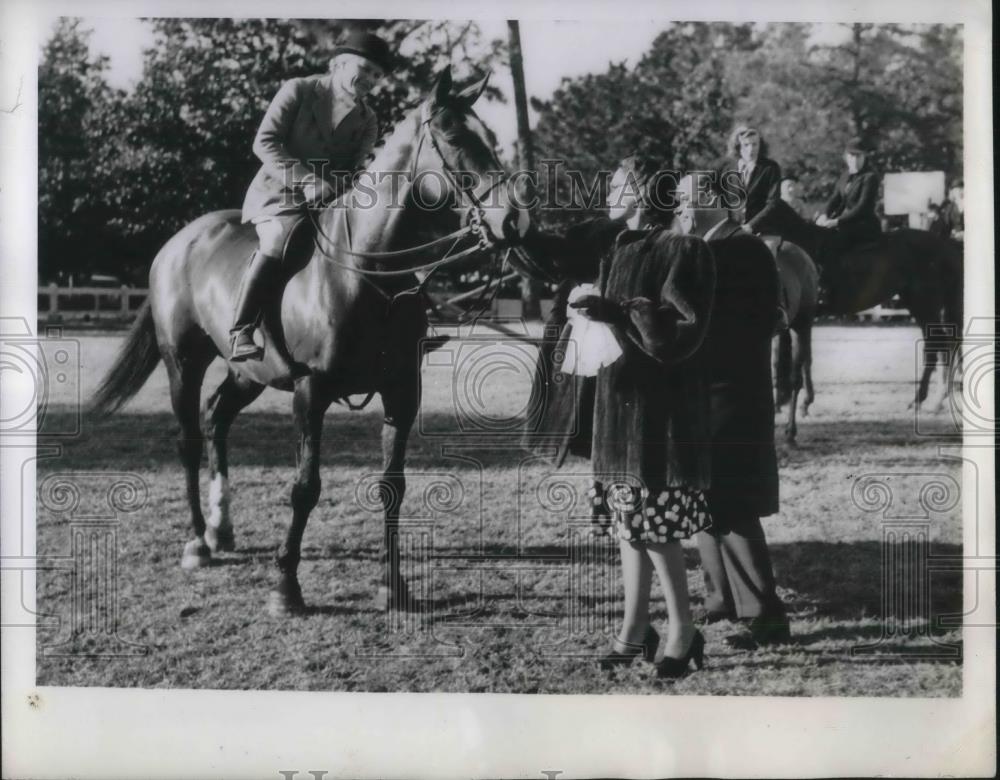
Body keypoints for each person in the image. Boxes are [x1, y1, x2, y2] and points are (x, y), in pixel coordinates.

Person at [522, 156, 716, 679]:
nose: (609, 191)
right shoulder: (617, 248)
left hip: (660, 416)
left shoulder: (687, 250)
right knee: (629, 530)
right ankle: (634, 631)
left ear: (644, 190)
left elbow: (681, 335)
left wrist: (620, 311)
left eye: (618, 183)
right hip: (617, 409)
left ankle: (683, 629)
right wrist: (581, 313)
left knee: (656, 530)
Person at [230, 30, 392, 361]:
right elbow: (265, 142)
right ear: (339, 63)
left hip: (329, 202)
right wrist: (307, 181)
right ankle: (242, 329)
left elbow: (351, 169)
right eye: (365, 68)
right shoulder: (298, 90)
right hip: (277, 195)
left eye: (377, 75)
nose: (371, 80)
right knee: (276, 240)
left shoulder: (368, 120)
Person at [814, 136, 881, 255]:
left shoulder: (870, 177)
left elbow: (863, 207)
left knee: (835, 243)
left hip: (864, 225)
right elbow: (835, 199)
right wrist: (825, 214)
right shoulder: (844, 176)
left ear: (865, 157)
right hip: (847, 223)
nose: (854, 160)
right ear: (845, 157)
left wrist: (837, 222)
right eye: (851, 156)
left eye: (858, 156)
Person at [718, 125, 783, 234]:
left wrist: (751, 226)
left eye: (755, 144)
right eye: (746, 145)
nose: (751, 149)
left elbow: (773, 203)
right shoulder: (727, 169)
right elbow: (722, 200)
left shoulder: (770, 168)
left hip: (764, 230)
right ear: (738, 146)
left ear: (760, 145)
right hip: (733, 229)